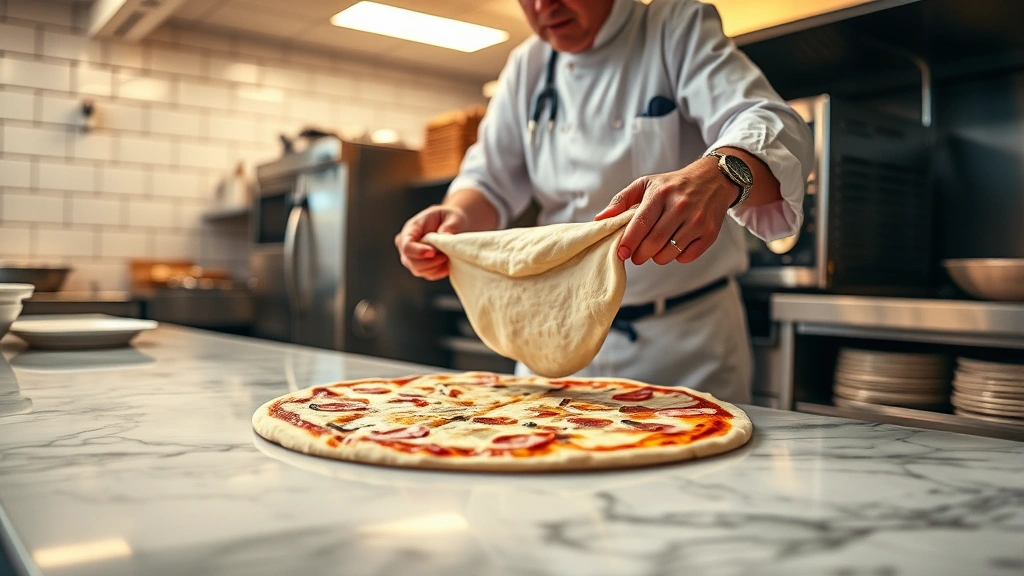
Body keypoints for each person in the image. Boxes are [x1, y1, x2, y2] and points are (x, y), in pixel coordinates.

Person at [395, 0, 813, 404]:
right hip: (551, 344)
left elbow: (773, 123)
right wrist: (457, 216)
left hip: (681, 351)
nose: (544, 7)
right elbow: (488, 180)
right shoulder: (528, 67)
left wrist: (720, 175)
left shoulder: (673, 27)